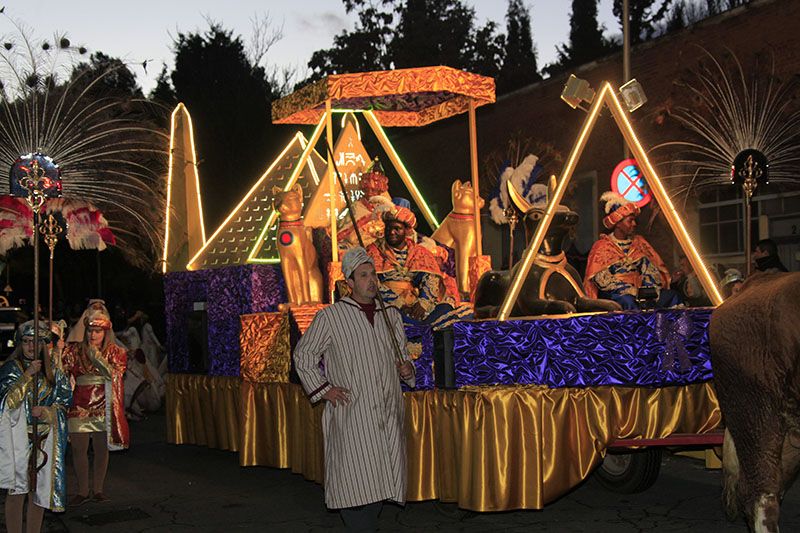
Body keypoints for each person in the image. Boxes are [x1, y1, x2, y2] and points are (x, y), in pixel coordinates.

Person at [293, 247, 415, 532]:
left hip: (387, 409)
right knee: (355, 478)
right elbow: (303, 355)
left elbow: (402, 357)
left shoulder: (390, 316)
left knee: (382, 475)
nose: (371, 280)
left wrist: (407, 369)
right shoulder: (331, 317)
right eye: (363, 275)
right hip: (354, 412)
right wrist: (324, 389)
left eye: (373, 274)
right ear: (349, 282)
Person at [0, 321, 72, 532]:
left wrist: (49, 412)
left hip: (44, 441)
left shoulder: (54, 372)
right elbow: (6, 403)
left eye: (37, 342)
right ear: (20, 343)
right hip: (17, 442)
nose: (32, 346)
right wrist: (27, 375)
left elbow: (64, 402)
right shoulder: (11, 368)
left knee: (38, 494)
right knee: (17, 492)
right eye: (27, 342)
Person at [62, 307, 128, 505]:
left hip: (104, 404)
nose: (93, 335)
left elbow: (114, 374)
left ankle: (98, 489)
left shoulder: (117, 352)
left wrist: (96, 357)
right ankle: (82, 491)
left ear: (105, 332)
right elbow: (62, 371)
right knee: (78, 449)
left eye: (97, 331)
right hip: (79, 403)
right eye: (90, 330)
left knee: (101, 449)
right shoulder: (73, 350)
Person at [366, 207, 471, 330]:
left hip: (415, 302)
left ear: (406, 230)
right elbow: (371, 282)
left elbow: (430, 279)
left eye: (397, 229)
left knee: (446, 309)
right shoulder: (373, 251)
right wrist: (398, 303)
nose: (392, 232)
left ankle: (420, 328)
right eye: (389, 229)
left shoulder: (419, 252)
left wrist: (423, 303)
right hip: (387, 303)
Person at [584, 192, 679, 310]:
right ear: (618, 223)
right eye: (630, 221)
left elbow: (651, 270)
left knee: (671, 296)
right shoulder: (602, 246)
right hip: (615, 293)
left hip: (641, 291)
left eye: (634, 221)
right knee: (628, 301)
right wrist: (628, 289)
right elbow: (600, 278)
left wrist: (647, 288)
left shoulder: (639, 243)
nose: (634, 224)